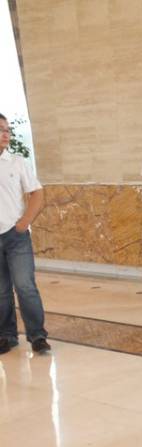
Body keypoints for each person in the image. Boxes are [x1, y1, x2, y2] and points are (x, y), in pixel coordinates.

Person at [0, 113, 50, 355]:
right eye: (0, 129)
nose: (5, 133)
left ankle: (37, 336)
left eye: (7, 129)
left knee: (25, 286)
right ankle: (6, 336)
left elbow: (37, 193)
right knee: (1, 291)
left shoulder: (17, 162)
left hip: (16, 236)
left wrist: (24, 222)